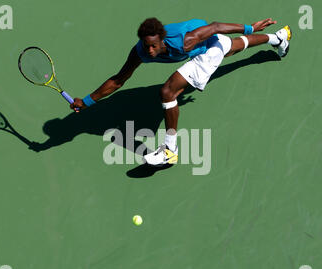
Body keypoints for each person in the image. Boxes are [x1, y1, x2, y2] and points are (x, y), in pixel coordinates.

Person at [70, 18, 292, 166]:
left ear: (162, 39)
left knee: (167, 92)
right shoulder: (140, 52)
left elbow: (215, 27)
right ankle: (278, 38)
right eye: (146, 45)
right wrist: (87, 101)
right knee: (233, 47)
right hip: (207, 44)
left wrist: (250, 27)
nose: (150, 51)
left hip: (205, 45)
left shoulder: (184, 41)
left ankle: (169, 150)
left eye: (153, 46)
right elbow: (119, 80)